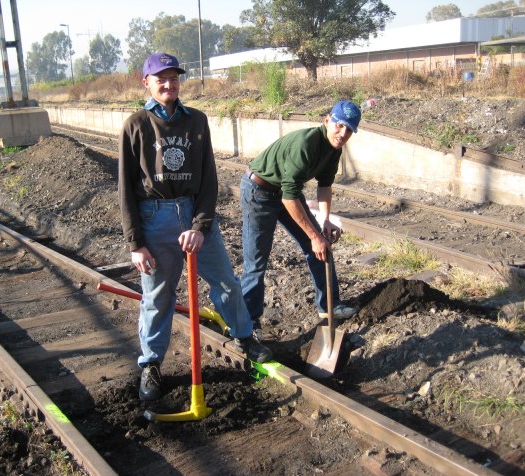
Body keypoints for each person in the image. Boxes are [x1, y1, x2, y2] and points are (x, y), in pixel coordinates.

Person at [118, 52, 272, 401]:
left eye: (173, 77)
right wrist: (135, 243)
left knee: (225, 282)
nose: (169, 84)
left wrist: (201, 225)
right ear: (147, 83)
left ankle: (245, 337)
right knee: (157, 296)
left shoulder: (196, 121)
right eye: (161, 78)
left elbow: (209, 180)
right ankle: (151, 365)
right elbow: (125, 188)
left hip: (193, 214)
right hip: (153, 217)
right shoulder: (135, 125)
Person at [240, 100, 361, 340]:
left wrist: (324, 222)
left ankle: (329, 306)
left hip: (285, 193)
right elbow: (289, 197)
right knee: (257, 262)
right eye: (339, 125)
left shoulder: (334, 149)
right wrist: (314, 235)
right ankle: (249, 323)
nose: (343, 133)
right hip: (259, 192)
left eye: (349, 129)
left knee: (320, 247)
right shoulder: (306, 144)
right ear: (327, 120)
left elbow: (324, 185)